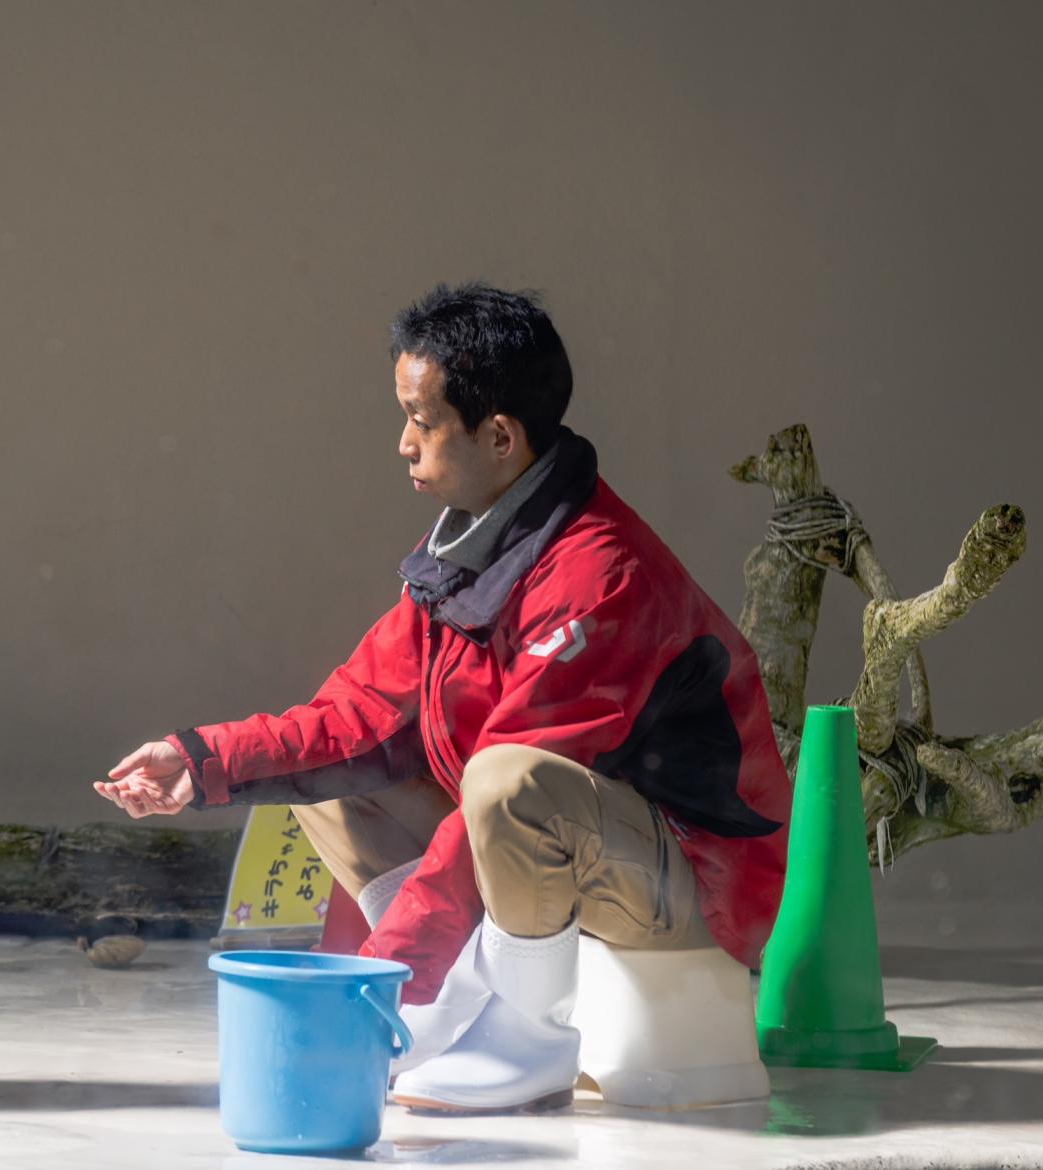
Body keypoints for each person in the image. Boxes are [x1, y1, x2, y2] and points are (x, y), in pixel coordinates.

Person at [95, 283, 791, 1113]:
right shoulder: (467, 544)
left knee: (509, 782)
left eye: (421, 422)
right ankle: (450, 996)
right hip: (571, 857)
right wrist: (200, 761)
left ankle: (526, 1038)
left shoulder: (600, 574)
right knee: (335, 778)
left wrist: (376, 991)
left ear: (499, 436)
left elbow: (510, 792)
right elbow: (350, 718)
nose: (403, 445)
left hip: (699, 887)